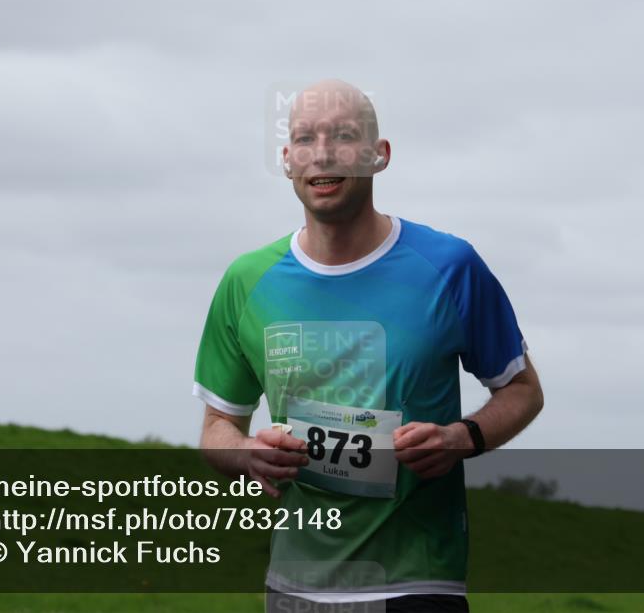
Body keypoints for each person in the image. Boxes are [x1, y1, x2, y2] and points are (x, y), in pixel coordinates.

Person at [192, 79, 544, 612]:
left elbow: (522, 391)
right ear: (288, 160)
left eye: (344, 135)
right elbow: (217, 428)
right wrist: (248, 455)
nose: (324, 153)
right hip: (294, 588)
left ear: (379, 156)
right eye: (306, 138)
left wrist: (460, 438)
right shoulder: (247, 281)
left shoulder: (450, 267)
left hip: (417, 583)